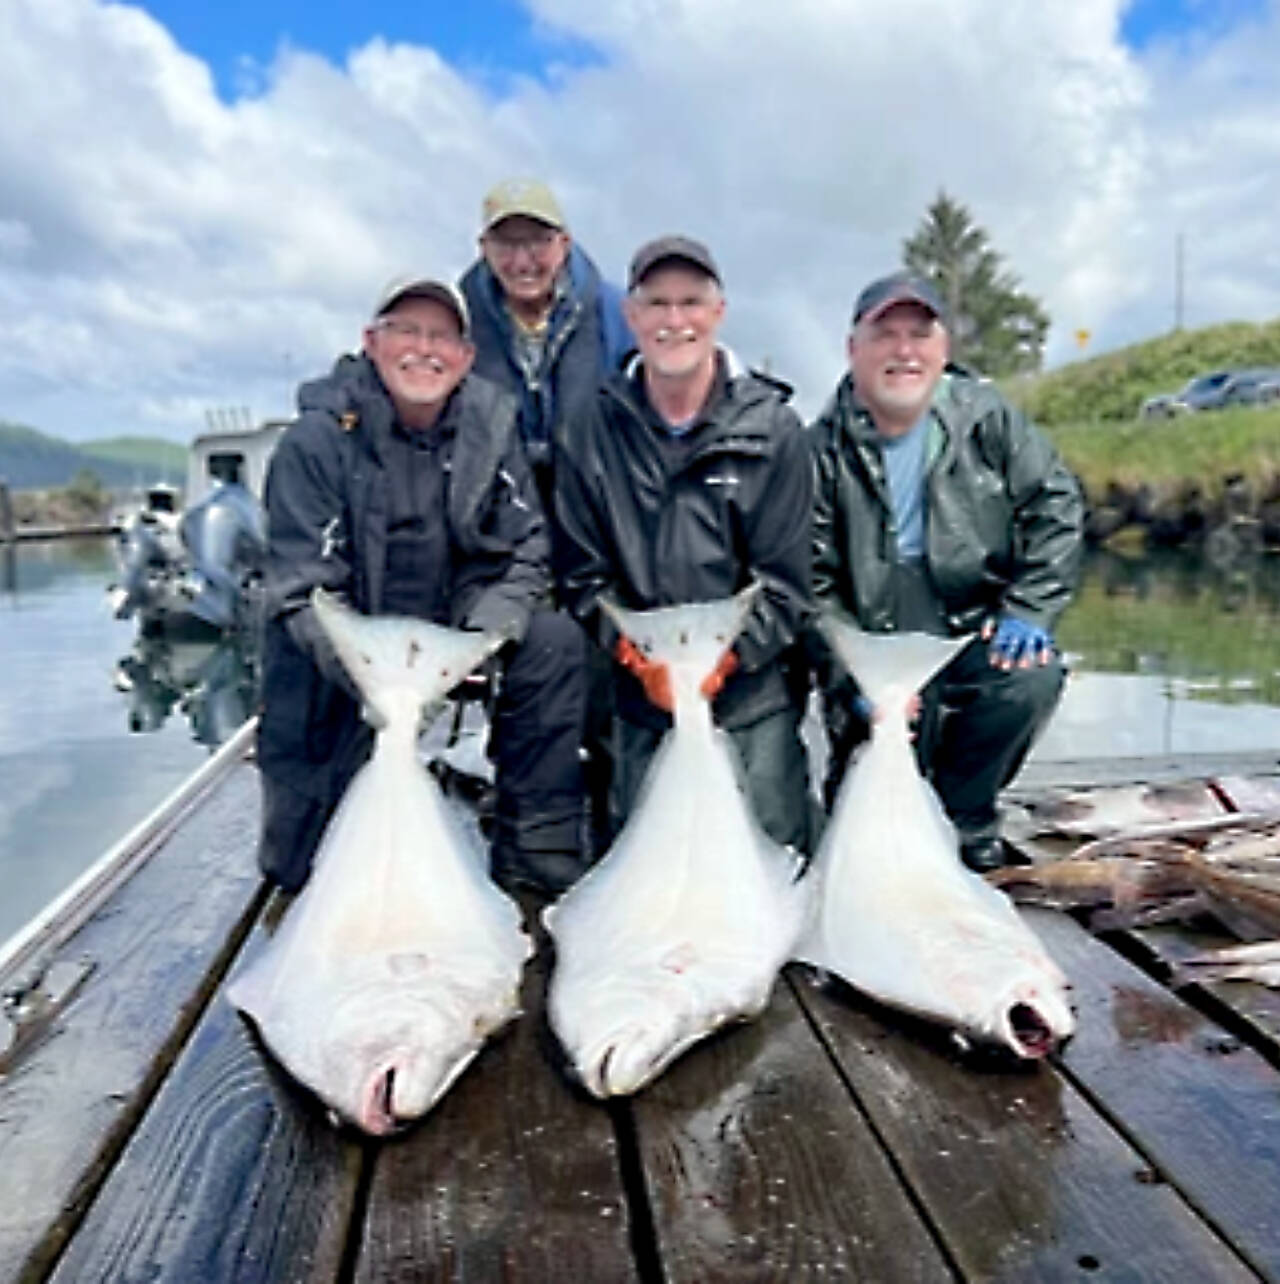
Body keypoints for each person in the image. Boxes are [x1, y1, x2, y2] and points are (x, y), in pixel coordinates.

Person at [255, 276, 587, 895]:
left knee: (554, 640)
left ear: (465, 357)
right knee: (301, 871)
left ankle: (533, 847)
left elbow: (526, 546)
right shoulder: (316, 441)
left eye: (441, 336)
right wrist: (372, 673)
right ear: (371, 342)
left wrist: (481, 638)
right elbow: (301, 589)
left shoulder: (492, 427)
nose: (424, 349)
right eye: (406, 331)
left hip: (452, 630)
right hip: (347, 654)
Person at [810, 271, 1085, 872]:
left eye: (920, 334)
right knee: (863, 824)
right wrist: (851, 673)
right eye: (885, 335)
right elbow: (811, 582)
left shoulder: (988, 418)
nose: (904, 351)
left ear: (943, 349)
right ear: (852, 348)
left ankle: (966, 818)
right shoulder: (818, 448)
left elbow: (1056, 503)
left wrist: (1030, 609)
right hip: (872, 631)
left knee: (1029, 678)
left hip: (968, 621)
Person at [556, 235, 816, 856]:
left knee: (777, 868)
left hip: (749, 694)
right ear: (632, 315)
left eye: (691, 303)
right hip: (641, 695)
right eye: (658, 304)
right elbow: (581, 576)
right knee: (641, 866)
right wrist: (641, 661)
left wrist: (723, 663)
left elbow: (787, 582)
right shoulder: (587, 430)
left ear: (718, 313)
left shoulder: (775, 429)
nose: (675, 321)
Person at [459, 177, 634, 860]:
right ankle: (533, 806)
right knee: (532, 659)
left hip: (597, 517)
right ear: (485, 247)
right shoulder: (462, 317)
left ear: (564, 243)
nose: (523, 257)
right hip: (506, 524)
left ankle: (614, 796)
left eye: (537, 240)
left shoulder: (614, 310)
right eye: (507, 241)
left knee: (602, 665)